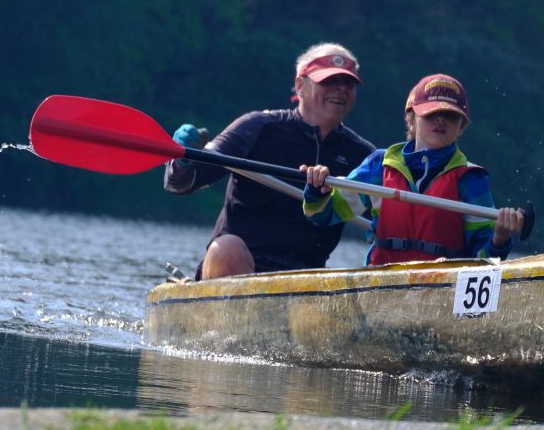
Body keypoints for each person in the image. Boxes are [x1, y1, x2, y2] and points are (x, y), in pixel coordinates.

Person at [164, 42, 375, 279]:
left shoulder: (363, 155)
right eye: (328, 81)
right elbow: (181, 184)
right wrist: (181, 159)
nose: (340, 89)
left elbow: (391, 217)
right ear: (300, 86)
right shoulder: (257, 127)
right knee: (227, 249)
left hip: (306, 278)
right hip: (237, 264)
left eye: (349, 83)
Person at [301, 73, 525, 264]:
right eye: (430, 114)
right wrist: (317, 189)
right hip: (382, 286)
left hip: (443, 291)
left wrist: (500, 238)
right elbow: (322, 215)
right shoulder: (380, 165)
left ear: (461, 127)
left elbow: (483, 261)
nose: (440, 120)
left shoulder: (471, 179)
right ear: (411, 120)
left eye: (450, 115)